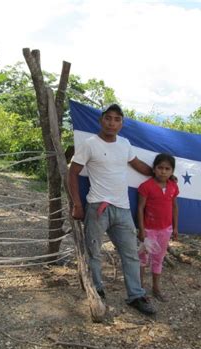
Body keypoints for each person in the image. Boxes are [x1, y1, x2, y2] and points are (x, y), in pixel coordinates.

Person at [68, 103, 156, 316]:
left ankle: (136, 295)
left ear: (121, 124)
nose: (112, 123)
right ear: (101, 120)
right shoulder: (90, 144)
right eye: (108, 118)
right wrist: (77, 204)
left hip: (123, 209)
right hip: (97, 207)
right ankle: (97, 291)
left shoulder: (124, 144)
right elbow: (72, 172)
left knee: (130, 254)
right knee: (95, 253)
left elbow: (137, 165)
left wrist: (160, 174)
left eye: (117, 119)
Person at [137, 153, 179, 302]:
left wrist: (175, 227)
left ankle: (156, 288)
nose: (163, 171)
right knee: (142, 259)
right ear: (154, 169)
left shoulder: (173, 186)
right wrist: (141, 230)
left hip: (165, 230)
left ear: (172, 171)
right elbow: (140, 208)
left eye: (167, 169)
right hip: (149, 230)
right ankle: (139, 290)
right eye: (160, 168)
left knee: (158, 259)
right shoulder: (146, 186)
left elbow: (174, 206)